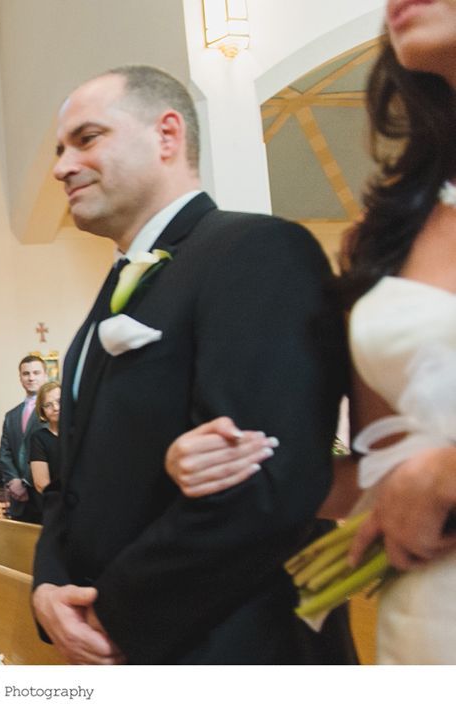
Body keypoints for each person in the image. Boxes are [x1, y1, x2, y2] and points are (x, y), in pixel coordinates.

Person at [31, 66, 352, 664]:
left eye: (87, 138)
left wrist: (112, 614)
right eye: (59, 149)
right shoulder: (114, 294)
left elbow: (265, 487)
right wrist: (48, 590)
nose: (60, 166)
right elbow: (70, 489)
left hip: (231, 645)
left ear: (167, 135)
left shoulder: (255, 252)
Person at [166, 0, 456, 663]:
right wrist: (229, 465)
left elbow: (422, 476)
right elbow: (379, 469)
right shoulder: (390, 231)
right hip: (424, 617)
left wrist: (443, 474)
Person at [0, 355, 47, 523]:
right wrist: (14, 481)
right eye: (26, 373)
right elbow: (5, 452)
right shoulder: (11, 415)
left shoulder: (54, 411)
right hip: (18, 498)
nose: (31, 377)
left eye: (36, 372)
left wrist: (26, 481)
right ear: (20, 377)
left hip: (45, 495)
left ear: (45, 375)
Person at [29, 381, 62, 498]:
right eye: (48, 405)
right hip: (58, 503)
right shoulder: (39, 438)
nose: (56, 408)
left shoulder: (80, 433)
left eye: (59, 401)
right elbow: (41, 484)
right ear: (42, 411)